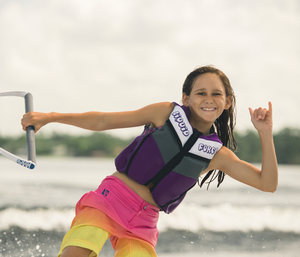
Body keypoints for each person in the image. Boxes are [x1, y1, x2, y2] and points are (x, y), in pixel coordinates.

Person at [21, 66, 278, 257]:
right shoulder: (165, 113)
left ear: (227, 102)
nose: (208, 99)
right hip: (111, 198)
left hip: (145, 221)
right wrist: (50, 117)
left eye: (216, 94)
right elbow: (103, 121)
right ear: (186, 98)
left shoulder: (217, 154)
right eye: (201, 92)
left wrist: (265, 133)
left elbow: (267, 184)